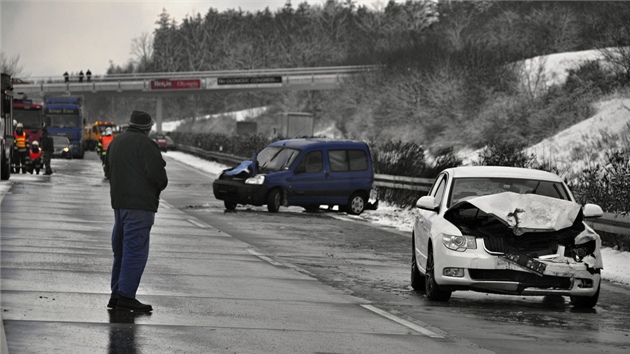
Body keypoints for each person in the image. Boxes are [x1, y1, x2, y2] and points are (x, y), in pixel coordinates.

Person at [104, 110, 167, 312]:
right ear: (147, 128)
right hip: (139, 206)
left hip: (119, 205)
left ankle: (116, 295)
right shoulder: (146, 144)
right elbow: (158, 176)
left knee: (121, 251)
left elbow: (107, 171)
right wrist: (156, 187)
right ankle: (126, 296)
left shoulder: (116, 142)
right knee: (135, 251)